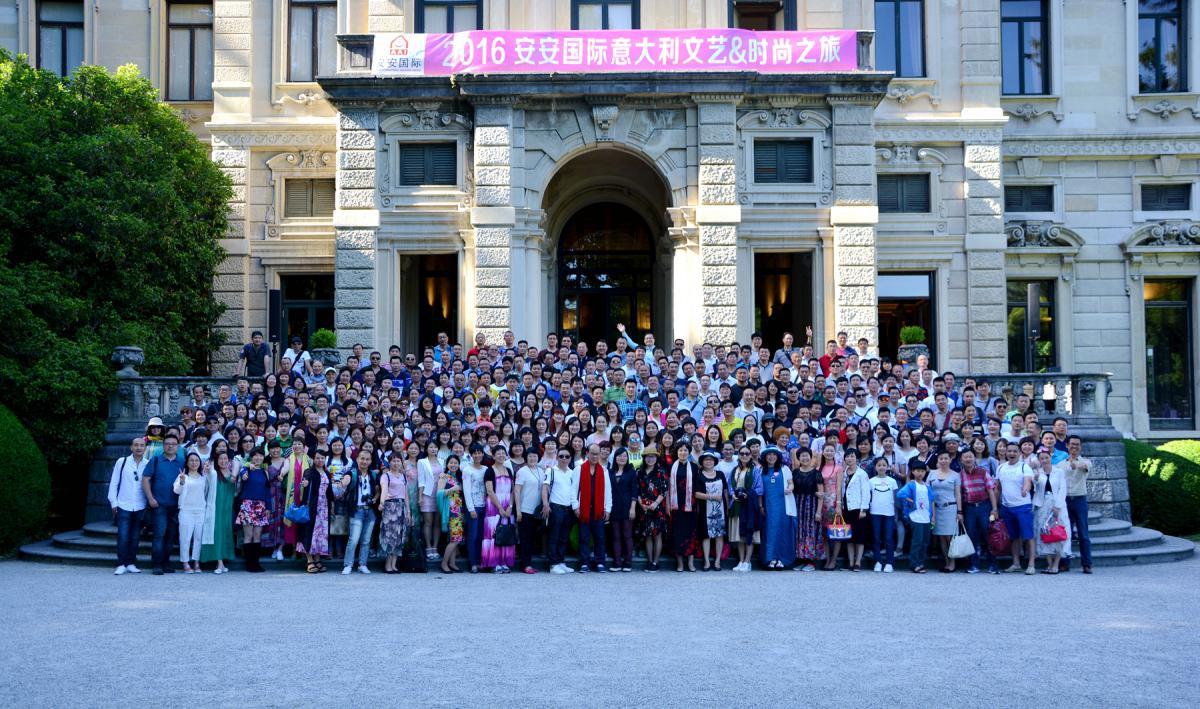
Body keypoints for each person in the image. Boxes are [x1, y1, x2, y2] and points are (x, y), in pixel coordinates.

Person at [142, 432, 185, 575]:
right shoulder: (155, 460)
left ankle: (166, 563)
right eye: (167, 444)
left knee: (170, 536)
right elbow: (146, 479)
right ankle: (157, 564)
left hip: (176, 506)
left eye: (173, 444)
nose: (170, 446)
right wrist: (150, 498)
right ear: (163, 445)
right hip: (159, 504)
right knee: (159, 534)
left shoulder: (182, 462)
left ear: (177, 446)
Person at [108, 437, 149, 575]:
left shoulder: (147, 464)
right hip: (123, 504)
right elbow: (114, 483)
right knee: (123, 535)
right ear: (131, 447)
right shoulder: (122, 462)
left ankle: (131, 563)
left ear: (145, 448)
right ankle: (121, 564)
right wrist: (113, 503)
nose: (139, 448)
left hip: (140, 505)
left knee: (135, 536)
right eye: (136, 445)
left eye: (141, 445)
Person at [996, 443, 1037, 575]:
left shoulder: (1024, 467)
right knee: (1013, 537)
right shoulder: (1001, 467)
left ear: (1019, 453)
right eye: (1009, 451)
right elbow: (998, 488)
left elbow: (1028, 482)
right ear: (1005, 452)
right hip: (1006, 507)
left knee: (1028, 536)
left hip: (1023, 506)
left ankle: (1031, 564)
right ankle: (1016, 563)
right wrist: (995, 507)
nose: (1012, 454)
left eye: (1015, 451)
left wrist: (1025, 489)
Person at [959, 449, 1000, 574]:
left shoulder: (983, 472)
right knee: (972, 536)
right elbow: (959, 494)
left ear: (974, 458)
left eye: (970, 456)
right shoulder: (960, 475)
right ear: (961, 460)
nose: (968, 459)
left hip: (984, 507)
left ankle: (993, 565)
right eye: (965, 457)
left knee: (988, 536)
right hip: (969, 508)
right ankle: (974, 565)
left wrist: (994, 509)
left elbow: (991, 491)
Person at [339, 448, 378, 575]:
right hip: (356, 511)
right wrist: (343, 483)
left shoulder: (373, 475)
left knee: (366, 540)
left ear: (370, 461)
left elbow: (378, 489)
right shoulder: (352, 473)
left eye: (367, 459)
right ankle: (348, 565)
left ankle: (363, 564)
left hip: (370, 511)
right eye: (362, 458)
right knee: (353, 540)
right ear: (357, 459)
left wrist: (375, 498)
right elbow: (346, 479)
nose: (364, 461)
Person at [574, 444, 611, 573]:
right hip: (583, 509)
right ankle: (584, 563)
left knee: (599, 537)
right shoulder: (579, 469)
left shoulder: (604, 471)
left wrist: (608, 509)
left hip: (598, 510)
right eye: (593, 453)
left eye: (597, 454)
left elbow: (608, 492)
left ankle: (600, 562)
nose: (595, 456)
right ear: (587, 454)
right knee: (583, 537)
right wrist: (575, 506)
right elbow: (574, 489)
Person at [758, 446, 796, 570]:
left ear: (778, 456)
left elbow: (791, 483)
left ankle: (781, 558)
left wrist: (789, 489)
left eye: (774, 455)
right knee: (769, 531)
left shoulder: (784, 469)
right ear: (765, 457)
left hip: (783, 505)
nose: (771, 457)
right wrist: (760, 506)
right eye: (769, 455)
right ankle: (770, 558)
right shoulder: (760, 470)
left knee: (783, 531)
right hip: (768, 505)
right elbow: (759, 490)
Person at [1060, 435, 1093, 574]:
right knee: (1065, 533)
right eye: (1072, 444)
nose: (1074, 447)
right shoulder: (1061, 464)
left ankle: (1087, 564)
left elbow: (1084, 467)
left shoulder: (1086, 461)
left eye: (1077, 444)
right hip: (1065, 500)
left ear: (1080, 447)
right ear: (1067, 446)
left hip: (1080, 500)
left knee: (1083, 534)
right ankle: (1064, 562)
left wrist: (1075, 464)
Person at [235, 446, 272, 573]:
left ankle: (256, 563)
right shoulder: (246, 468)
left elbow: (267, 491)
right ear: (252, 457)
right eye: (255, 455)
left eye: (260, 455)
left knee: (257, 535)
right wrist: (245, 471)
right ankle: (249, 564)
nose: (258, 458)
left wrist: (268, 507)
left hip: (261, 505)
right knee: (248, 535)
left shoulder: (265, 472)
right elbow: (242, 474)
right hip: (248, 504)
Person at [200, 451, 236, 574]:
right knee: (216, 533)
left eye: (225, 458)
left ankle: (223, 560)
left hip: (227, 508)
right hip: (216, 507)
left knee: (225, 532)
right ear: (216, 461)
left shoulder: (232, 474)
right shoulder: (213, 472)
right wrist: (206, 469)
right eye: (220, 459)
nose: (223, 461)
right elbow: (206, 478)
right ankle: (219, 562)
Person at [297, 449, 333, 574]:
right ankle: (309, 560)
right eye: (317, 458)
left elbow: (329, 491)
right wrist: (305, 483)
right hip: (312, 507)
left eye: (322, 458)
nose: (320, 460)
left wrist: (332, 506)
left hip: (324, 508)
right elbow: (305, 481)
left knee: (321, 534)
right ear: (313, 459)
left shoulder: (327, 473)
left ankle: (317, 559)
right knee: (309, 532)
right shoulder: (309, 472)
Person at [481, 446, 516, 573]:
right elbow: (490, 491)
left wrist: (510, 507)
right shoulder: (489, 471)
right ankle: (494, 563)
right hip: (494, 506)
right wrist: (500, 508)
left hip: (508, 506)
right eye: (498, 453)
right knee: (494, 533)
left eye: (503, 453)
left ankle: (504, 562)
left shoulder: (509, 470)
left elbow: (513, 491)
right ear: (493, 456)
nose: (501, 456)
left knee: (506, 533)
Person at [1033, 449, 1068, 574]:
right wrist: (1036, 479)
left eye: (1046, 458)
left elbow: (1063, 488)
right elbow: (1035, 488)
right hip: (1042, 504)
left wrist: (1058, 506)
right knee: (1045, 532)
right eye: (1041, 458)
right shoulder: (1037, 472)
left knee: (1059, 532)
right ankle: (1049, 563)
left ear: (1050, 458)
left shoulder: (1059, 471)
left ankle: (1056, 564)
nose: (1044, 460)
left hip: (1057, 503)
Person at [545, 447, 579, 574]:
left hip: (568, 508)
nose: (564, 459)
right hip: (555, 507)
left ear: (570, 458)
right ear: (557, 457)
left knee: (564, 537)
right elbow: (545, 488)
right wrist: (545, 504)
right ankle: (553, 564)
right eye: (561, 456)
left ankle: (560, 561)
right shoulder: (551, 471)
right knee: (554, 536)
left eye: (567, 456)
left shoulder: (572, 472)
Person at [172, 452, 208, 574]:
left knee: (198, 538)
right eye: (191, 460)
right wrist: (182, 482)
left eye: (196, 460)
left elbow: (207, 492)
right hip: (186, 511)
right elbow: (176, 490)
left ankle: (196, 562)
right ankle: (185, 563)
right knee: (185, 538)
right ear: (187, 463)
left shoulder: (203, 477)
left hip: (200, 511)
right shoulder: (183, 476)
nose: (194, 463)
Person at [928, 451, 963, 572]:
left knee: (949, 537)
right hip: (936, 509)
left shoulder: (955, 475)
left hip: (950, 508)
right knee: (941, 537)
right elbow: (928, 491)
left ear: (950, 460)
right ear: (938, 460)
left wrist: (959, 511)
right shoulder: (932, 473)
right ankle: (947, 562)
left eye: (946, 458)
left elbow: (958, 494)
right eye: (941, 458)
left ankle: (953, 562)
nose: (943, 461)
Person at [728, 446, 761, 572]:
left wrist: (748, 494)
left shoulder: (755, 470)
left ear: (751, 455)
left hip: (749, 506)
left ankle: (748, 561)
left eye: (747, 453)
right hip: (737, 505)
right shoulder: (734, 470)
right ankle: (741, 561)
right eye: (742, 453)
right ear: (738, 455)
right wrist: (733, 494)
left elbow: (760, 488)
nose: (744, 456)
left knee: (748, 534)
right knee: (739, 536)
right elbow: (730, 485)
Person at [667, 440, 699, 572]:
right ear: (677, 452)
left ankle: (691, 563)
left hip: (690, 505)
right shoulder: (671, 467)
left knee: (691, 533)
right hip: (675, 505)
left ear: (689, 452)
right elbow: (667, 488)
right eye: (680, 450)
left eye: (685, 450)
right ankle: (679, 563)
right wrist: (667, 504)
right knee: (677, 533)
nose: (683, 452)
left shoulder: (695, 467)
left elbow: (697, 487)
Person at [896, 462, 933, 573]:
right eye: (917, 471)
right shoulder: (911, 484)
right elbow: (900, 494)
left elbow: (932, 501)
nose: (920, 473)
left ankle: (921, 563)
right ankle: (914, 564)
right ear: (913, 472)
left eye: (922, 471)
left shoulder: (927, 486)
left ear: (925, 472)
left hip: (926, 516)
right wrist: (910, 500)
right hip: (915, 516)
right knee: (917, 541)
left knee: (925, 541)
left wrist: (933, 517)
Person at [695, 450, 729, 571]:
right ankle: (706, 561)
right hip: (705, 510)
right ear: (702, 462)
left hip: (720, 510)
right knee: (706, 535)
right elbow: (696, 494)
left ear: (714, 461)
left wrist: (727, 506)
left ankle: (718, 561)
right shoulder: (699, 476)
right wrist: (712, 497)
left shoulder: (720, 474)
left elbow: (725, 491)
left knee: (719, 535)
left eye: (710, 459)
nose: (708, 462)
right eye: (706, 460)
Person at [636, 445, 668, 572]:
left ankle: (656, 562)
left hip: (657, 508)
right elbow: (637, 490)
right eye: (648, 457)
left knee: (657, 535)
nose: (650, 459)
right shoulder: (639, 472)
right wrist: (641, 504)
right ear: (644, 458)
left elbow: (664, 490)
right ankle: (649, 561)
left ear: (656, 458)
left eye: (653, 457)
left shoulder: (661, 472)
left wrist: (655, 503)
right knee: (647, 535)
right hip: (644, 508)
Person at [792, 447, 825, 571]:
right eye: (802, 456)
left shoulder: (816, 473)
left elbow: (821, 494)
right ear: (798, 458)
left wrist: (818, 512)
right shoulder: (795, 473)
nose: (804, 458)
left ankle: (811, 562)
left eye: (807, 456)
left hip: (812, 506)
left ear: (811, 458)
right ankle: (801, 559)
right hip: (798, 506)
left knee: (811, 532)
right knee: (799, 532)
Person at [513, 448, 545, 574]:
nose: (532, 458)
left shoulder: (541, 471)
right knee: (525, 538)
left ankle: (529, 563)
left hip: (537, 512)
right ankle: (526, 565)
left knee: (532, 539)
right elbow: (517, 491)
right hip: (525, 510)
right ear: (526, 458)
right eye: (530, 456)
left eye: (535, 456)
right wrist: (518, 510)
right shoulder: (522, 471)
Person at [608, 448, 639, 572]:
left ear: (627, 458)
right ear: (615, 458)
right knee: (616, 536)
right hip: (614, 507)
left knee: (627, 535)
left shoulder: (631, 472)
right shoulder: (610, 472)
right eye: (619, 456)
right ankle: (617, 562)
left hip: (627, 507)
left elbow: (634, 491)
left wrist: (633, 508)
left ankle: (627, 562)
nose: (622, 458)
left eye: (624, 456)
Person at [379, 455, 410, 574]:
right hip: (390, 507)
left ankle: (394, 564)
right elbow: (384, 490)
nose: (396, 463)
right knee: (389, 536)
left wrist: (408, 511)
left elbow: (406, 495)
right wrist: (382, 502)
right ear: (389, 462)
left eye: (398, 461)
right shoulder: (385, 476)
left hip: (401, 507)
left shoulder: (404, 477)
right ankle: (387, 564)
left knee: (399, 536)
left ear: (401, 463)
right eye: (393, 461)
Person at [841, 449, 871, 572]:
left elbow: (866, 492)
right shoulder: (843, 473)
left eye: (852, 456)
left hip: (858, 509)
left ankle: (858, 562)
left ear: (856, 459)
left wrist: (863, 509)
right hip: (846, 508)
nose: (849, 459)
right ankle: (851, 562)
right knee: (849, 537)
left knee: (859, 537)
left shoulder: (862, 474)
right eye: (847, 456)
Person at [460, 444, 488, 574]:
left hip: (485, 506)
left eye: (479, 452)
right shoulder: (467, 470)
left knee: (482, 535)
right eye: (475, 453)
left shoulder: (486, 469)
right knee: (473, 535)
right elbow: (466, 491)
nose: (477, 455)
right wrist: (471, 509)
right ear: (471, 455)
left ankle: (481, 561)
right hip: (473, 507)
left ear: (483, 454)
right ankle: (473, 563)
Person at [868, 456, 899, 573]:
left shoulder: (892, 481)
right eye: (879, 465)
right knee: (876, 537)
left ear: (888, 467)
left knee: (889, 538)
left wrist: (896, 514)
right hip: (875, 512)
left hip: (889, 513)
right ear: (875, 467)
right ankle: (878, 561)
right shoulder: (871, 481)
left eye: (884, 465)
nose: (881, 467)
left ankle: (889, 562)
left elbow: (895, 499)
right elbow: (868, 497)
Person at [437, 455, 465, 574]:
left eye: (456, 463)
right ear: (447, 464)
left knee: (454, 538)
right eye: (451, 463)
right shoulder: (444, 477)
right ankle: (444, 563)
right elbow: (439, 494)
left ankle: (452, 563)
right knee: (456, 539)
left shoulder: (459, 477)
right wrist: (452, 489)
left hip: (459, 511)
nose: (453, 465)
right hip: (450, 512)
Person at [417, 441, 443, 562]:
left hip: (440, 495)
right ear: (426, 449)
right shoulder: (422, 462)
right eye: (431, 447)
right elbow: (421, 480)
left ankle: (435, 547)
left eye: (435, 447)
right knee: (428, 522)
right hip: (427, 494)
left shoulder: (442, 461)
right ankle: (428, 547)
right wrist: (420, 497)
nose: (433, 449)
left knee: (437, 523)